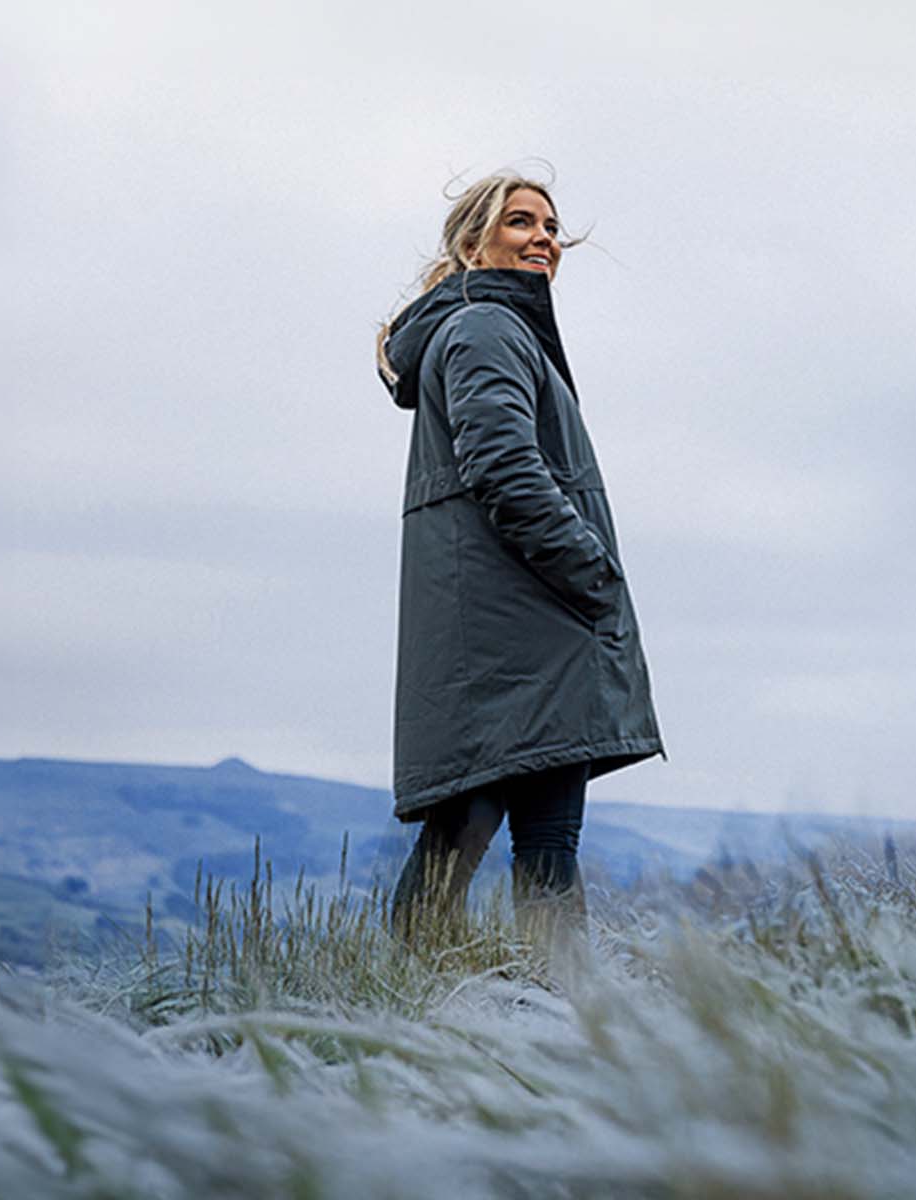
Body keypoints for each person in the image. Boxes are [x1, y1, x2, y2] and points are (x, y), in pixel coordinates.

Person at [372, 169, 663, 950]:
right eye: (520, 223)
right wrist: (592, 574)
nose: (544, 238)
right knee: (483, 853)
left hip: (524, 635)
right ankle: (495, 1020)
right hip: (526, 633)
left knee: (524, 853)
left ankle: (541, 1028)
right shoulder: (486, 329)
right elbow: (502, 469)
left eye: (550, 226)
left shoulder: (489, 329)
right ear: (473, 244)